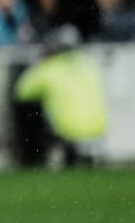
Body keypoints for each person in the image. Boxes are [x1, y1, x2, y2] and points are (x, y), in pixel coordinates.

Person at [13, 25, 107, 166]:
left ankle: (32, 158)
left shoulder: (48, 68)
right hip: (98, 131)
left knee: (27, 107)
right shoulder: (88, 65)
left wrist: (38, 61)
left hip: (69, 132)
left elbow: (20, 91)